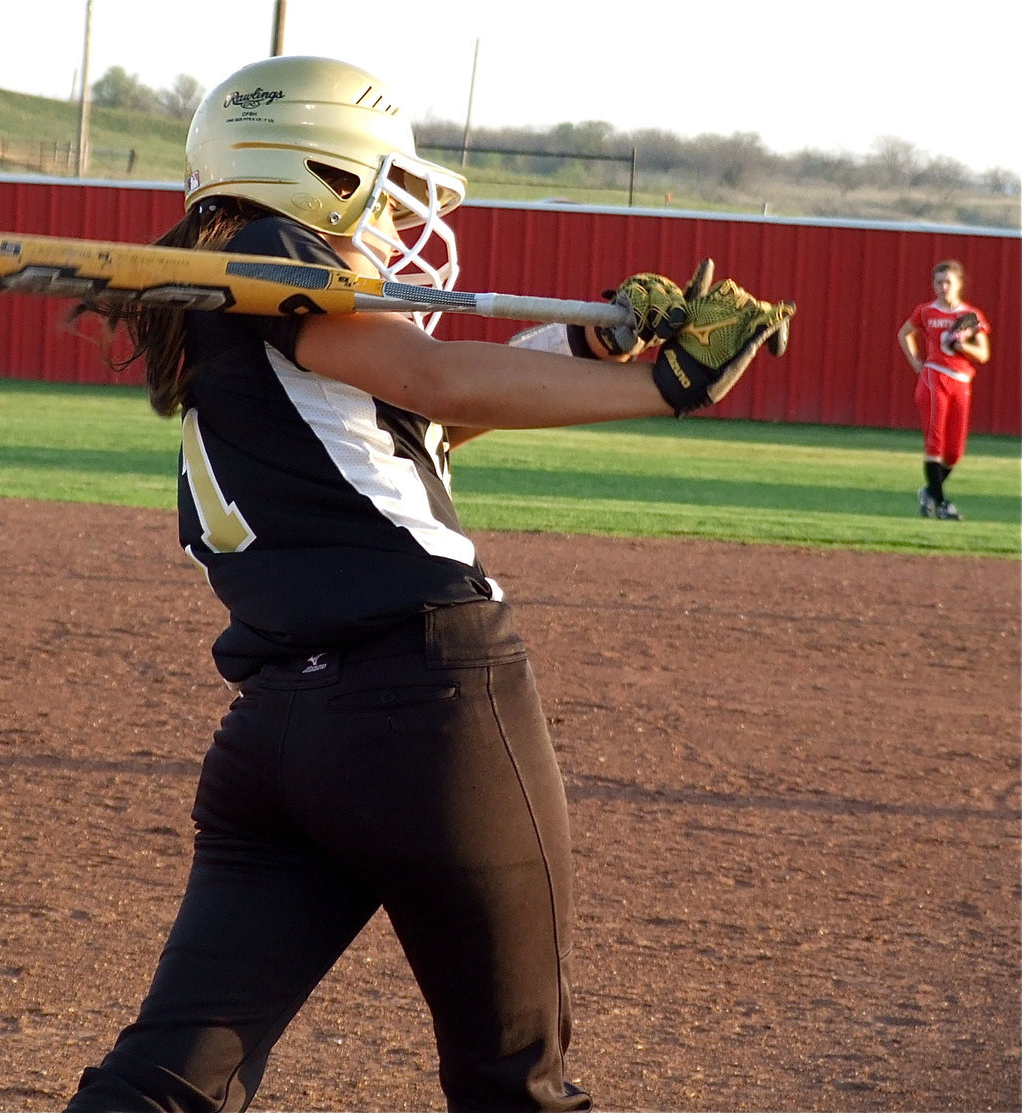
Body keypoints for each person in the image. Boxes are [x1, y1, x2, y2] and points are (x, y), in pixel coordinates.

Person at [62, 55, 794, 1112]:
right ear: (318, 170)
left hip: (279, 732)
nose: (404, 220)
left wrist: (584, 343)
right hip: (428, 709)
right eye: (387, 186)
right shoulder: (277, 254)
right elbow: (434, 379)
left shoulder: (232, 304)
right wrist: (661, 387)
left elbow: (425, 421)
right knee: (516, 1085)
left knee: (166, 1084)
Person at [897, 260, 992, 520]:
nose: (943, 287)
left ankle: (929, 491)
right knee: (935, 441)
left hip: (961, 381)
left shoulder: (970, 316)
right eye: (938, 282)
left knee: (954, 452)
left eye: (948, 281)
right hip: (933, 377)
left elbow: (983, 354)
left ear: (960, 284)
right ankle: (942, 504)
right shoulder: (926, 311)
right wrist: (916, 362)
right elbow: (904, 333)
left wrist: (962, 346)